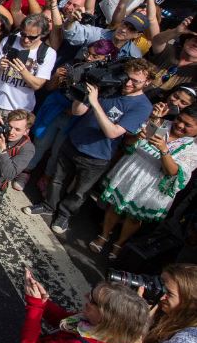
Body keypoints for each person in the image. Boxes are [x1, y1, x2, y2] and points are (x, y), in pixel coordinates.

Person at [26, 59, 154, 236]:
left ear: (148, 82)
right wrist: (83, 95)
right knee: (57, 179)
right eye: (127, 78)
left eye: (136, 81)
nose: (129, 83)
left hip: (98, 155)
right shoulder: (112, 85)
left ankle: (64, 215)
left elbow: (113, 132)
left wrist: (95, 102)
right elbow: (78, 112)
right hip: (74, 141)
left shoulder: (143, 106)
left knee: (79, 192)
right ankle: (49, 205)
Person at [91, 105, 197, 260]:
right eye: (179, 119)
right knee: (115, 206)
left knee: (134, 218)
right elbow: (127, 143)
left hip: (152, 186)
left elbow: (172, 172)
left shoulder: (193, 149)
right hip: (133, 170)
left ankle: (119, 244)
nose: (180, 125)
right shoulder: (160, 123)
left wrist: (164, 149)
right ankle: (104, 235)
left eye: (188, 125)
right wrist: (137, 137)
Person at [15, 272, 150, 343]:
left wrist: (35, 307)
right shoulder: (118, 339)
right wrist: (43, 303)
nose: (86, 297)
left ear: (107, 317)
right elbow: (63, 320)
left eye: (93, 300)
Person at [125, 263, 197, 343]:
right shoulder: (172, 313)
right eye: (160, 284)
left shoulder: (190, 341)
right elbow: (141, 341)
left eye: (169, 293)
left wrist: (135, 317)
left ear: (190, 303)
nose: (161, 296)